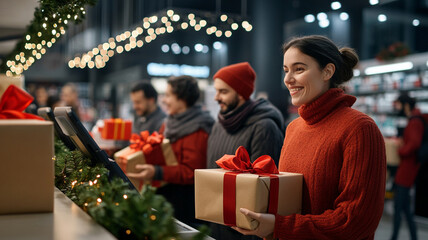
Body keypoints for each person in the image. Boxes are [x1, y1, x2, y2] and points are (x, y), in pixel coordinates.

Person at [233, 35, 386, 239]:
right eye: (286, 70)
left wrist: (280, 225)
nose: (287, 79)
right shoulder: (294, 128)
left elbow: (356, 221)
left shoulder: (359, 128)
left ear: (327, 71)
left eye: (299, 69)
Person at [207, 62, 285, 240]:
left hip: (245, 231)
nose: (216, 98)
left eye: (223, 92)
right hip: (217, 223)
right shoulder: (219, 124)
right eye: (216, 91)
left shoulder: (264, 127)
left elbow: (263, 193)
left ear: (241, 92)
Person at [127, 75, 214, 227]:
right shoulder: (168, 123)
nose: (164, 100)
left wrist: (156, 172)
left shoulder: (199, 129)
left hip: (185, 206)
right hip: (166, 200)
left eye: (168, 95)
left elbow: (191, 172)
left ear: (182, 99)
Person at [390, 93, 423, 240]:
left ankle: (394, 236)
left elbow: (414, 143)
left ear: (406, 105)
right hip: (407, 167)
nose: (398, 108)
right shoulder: (414, 119)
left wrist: (400, 150)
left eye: (399, 105)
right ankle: (412, 237)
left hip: (407, 169)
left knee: (399, 206)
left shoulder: (415, 121)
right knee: (404, 208)